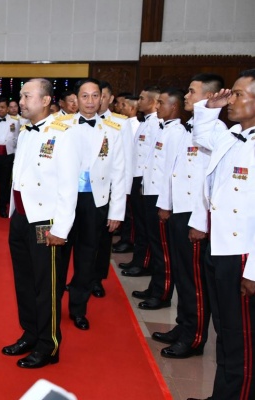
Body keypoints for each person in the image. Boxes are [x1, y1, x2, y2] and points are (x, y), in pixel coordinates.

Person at [1, 78, 79, 368]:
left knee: (46, 285)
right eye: (21, 96)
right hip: (21, 217)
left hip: (45, 222)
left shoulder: (63, 134)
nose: (21, 101)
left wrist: (61, 229)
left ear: (46, 100)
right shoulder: (25, 131)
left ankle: (48, 344)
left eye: (27, 96)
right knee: (24, 282)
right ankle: (31, 333)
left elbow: (69, 186)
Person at [188, 69, 255, 399]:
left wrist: (253, 271)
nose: (232, 100)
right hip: (220, 247)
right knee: (226, 331)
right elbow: (202, 134)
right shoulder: (232, 136)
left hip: (243, 254)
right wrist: (211, 107)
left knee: (242, 337)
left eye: (239, 95)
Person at [151, 74, 225, 359]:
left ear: (209, 97)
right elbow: (175, 172)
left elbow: (208, 183)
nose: (186, 97)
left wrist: (200, 222)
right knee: (183, 276)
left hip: (194, 216)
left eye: (192, 92)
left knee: (195, 282)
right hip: (180, 212)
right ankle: (183, 326)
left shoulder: (215, 131)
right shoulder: (188, 128)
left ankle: (194, 338)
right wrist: (166, 205)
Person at [60, 79, 126, 330]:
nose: (90, 101)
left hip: (95, 201)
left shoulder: (113, 130)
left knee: (87, 256)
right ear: (76, 99)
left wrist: (116, 210)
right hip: (65, 199)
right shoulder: (60, 126)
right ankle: (52, 304)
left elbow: (119, 172)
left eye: (95, 96)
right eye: (84, 96)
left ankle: (78, 309)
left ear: (102, 99)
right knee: (59, 254)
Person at [131, 88, 187, 311]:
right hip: (150, 192)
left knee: (162, 248)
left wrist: (166, 204)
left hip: (161, 196)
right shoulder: (163, 129)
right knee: (154, 244)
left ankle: (162, 293)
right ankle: (154, 287)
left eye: (161, 103)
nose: (157, 106)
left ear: (173, 106)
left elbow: (172, 171)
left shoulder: (177, 133)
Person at [90, 82, 134, 297]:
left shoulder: (119, 124)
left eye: (101, 96)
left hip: (107, 191)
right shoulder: (76, 121)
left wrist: (120, 202)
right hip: (83, 191)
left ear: (109, 98)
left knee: (102, 239)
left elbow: (125, 163)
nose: (96, 100)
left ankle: (97, 279)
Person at [120, 86, 161, 277]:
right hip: (137, 177)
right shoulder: (145, 122)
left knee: (145, 225)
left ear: (152, 102)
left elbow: (152, 157)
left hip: (145, 179)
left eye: (143, 98)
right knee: (139, 223)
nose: (139, 102)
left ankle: (143, 263)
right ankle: (139, 259)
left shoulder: (156, 124)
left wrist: (143, 181)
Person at [112, 93, 141, 254]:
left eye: (123, 105)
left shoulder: (136, 126)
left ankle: (128, 239)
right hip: (123, 172)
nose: (119, 108)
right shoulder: (122, 123)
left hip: (133, 173)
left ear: (132, 108)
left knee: (130, 213)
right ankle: (125, 236)